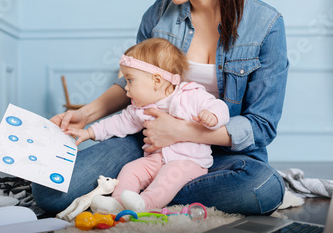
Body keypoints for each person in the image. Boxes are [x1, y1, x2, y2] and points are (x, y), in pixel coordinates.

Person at [32, 0, 289, 216]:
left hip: (222, 156)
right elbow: (130, 81)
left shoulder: (266, 25)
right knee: (49, 190)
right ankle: (154, 193)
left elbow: (261, 126)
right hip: (151, 144)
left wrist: (183, 132)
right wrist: (87, 114)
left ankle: (143, 194)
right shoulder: (157, 15)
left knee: (264, 187)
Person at [65, 38, 229, 212]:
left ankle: (145, 204)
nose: (126, 88)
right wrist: (89, 132)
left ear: (157, 81)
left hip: (188, 161)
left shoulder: (191, 95)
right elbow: (118, 122)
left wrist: (213, 116)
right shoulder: (142, 107)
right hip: (156, 159)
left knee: (167, 178)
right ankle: (118, 203)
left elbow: (220, 107)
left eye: (130, 80)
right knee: (131, 169)